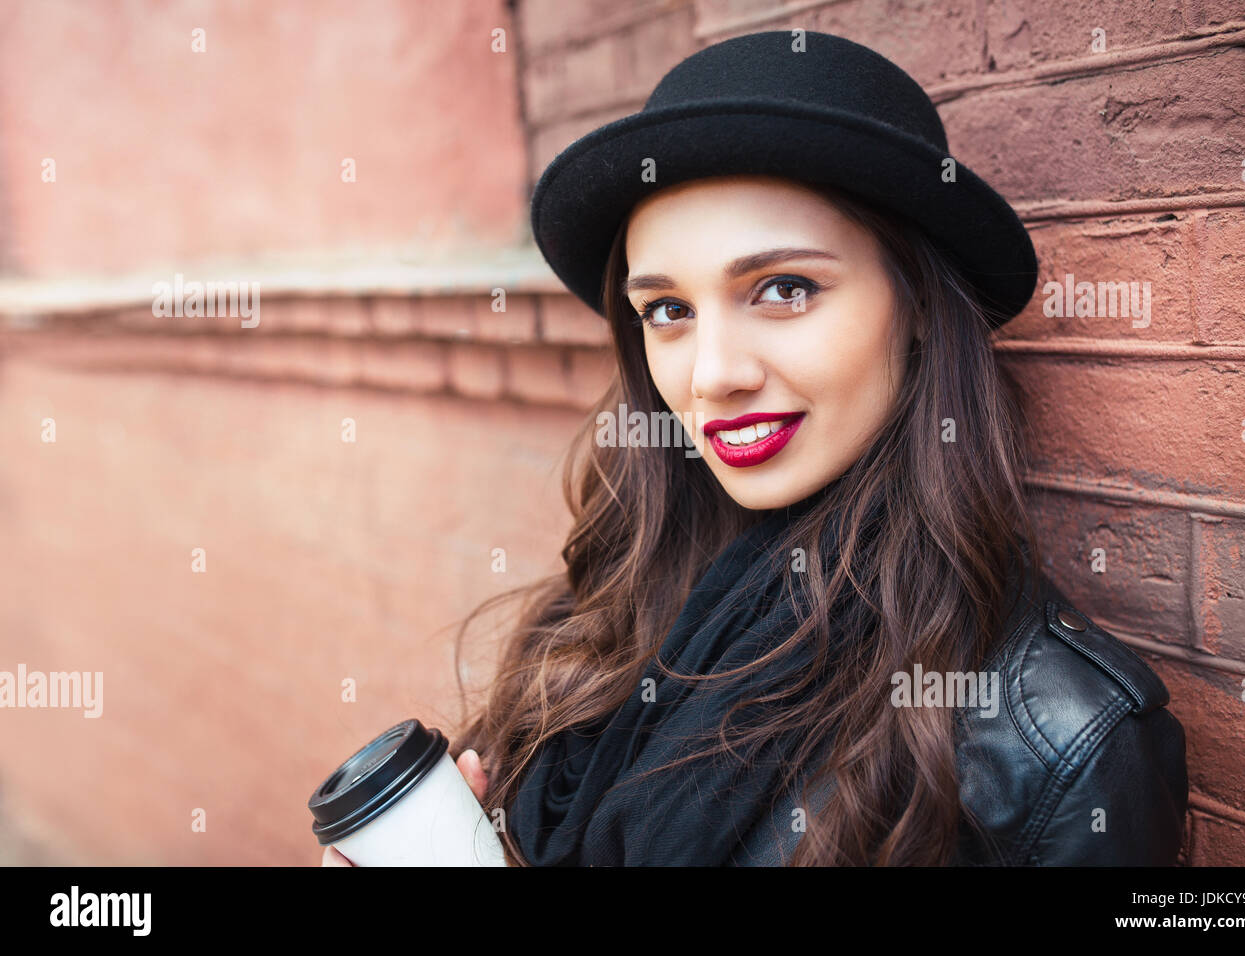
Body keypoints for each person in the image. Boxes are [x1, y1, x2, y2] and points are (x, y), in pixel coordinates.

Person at [324, 29, 1187, 868]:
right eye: (667, 310)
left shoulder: (1065, 742)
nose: (713, 375)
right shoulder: (604, 616)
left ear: (918, 304)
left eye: (783, 289)